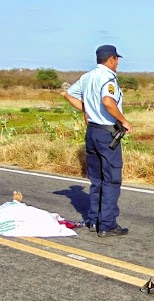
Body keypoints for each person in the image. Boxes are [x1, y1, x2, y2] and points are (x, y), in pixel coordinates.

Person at [63, 44, 132, 238]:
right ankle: (107, 225)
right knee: (111, 180)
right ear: (111, 59)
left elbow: (69, 95)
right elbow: (108, 102)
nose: (117, 63)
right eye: (116, 59)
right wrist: (124, 121)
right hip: (106, 133)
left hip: (92, 131)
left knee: (96, 180)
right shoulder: (107, 77)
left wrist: (87, 111)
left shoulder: (87, 77)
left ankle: (93, 220)